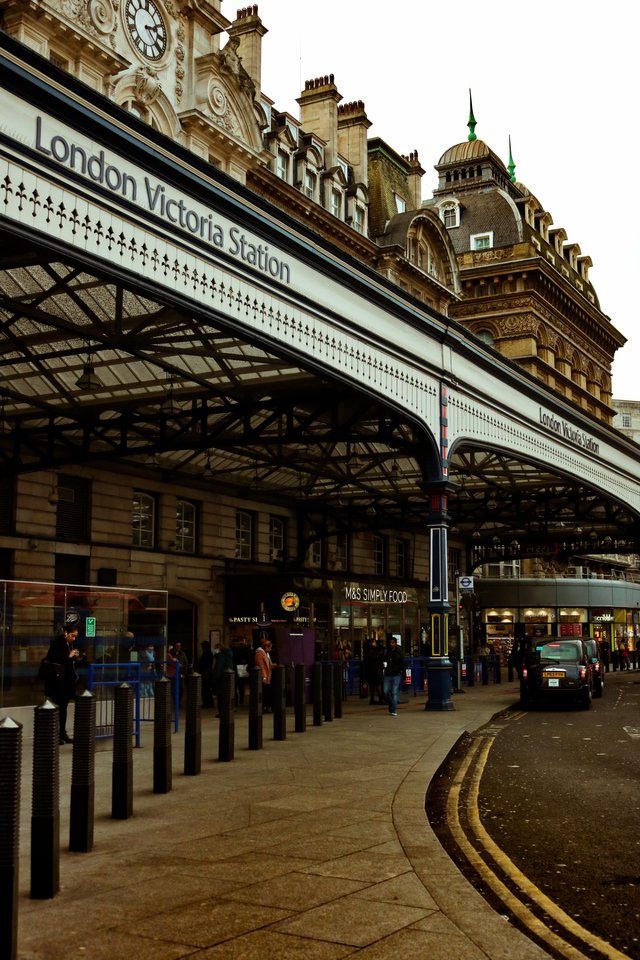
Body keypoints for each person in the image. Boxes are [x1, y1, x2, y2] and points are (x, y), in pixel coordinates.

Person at [43, 609, 83, 744]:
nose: (74, 638)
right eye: (72, 635)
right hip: (58, 682)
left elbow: (70, 662)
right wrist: (69, 656)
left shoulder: (70, 643)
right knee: (57, 708)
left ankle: (62, 732)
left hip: (66, 682)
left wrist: (77, 658)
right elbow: (55, 660)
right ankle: (55, 735)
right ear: (65, 633)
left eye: (76, 636)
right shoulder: (57, 643)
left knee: (64, 708)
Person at [381, 635, 404, 717]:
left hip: (396, 674)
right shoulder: (386, 652)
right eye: (390, 643)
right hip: (387, 674)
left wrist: (403, 674)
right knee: (385, 691)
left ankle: (393, 710)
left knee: (394, 692)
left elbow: (402, 663)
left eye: (392, 643)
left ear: (396, 643)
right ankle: (391, 704)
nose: (391, 644)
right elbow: (383, 661)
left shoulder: (399, 652)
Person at [211, 641, 235, 714]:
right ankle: (227, 711)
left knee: (221, 697)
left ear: (219, 648)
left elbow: (218, 668)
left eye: (215, 648)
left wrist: (214, 679)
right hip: (228, 677)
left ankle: (222, 712)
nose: (214, 650)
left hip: (221, 679)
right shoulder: (229, 655)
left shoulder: (221, 656)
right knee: (227, 696)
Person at [254, 636, 274, 712]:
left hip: (267, 676)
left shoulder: (266, 653)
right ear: (266, 647)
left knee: (266, 693)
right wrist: (264, 677)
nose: (271, 649)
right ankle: (264, 707)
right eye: (270, 647)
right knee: (264, 693)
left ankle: (266, 707)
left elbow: (268, 664)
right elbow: (261, 665)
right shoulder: (260, 654)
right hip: (264, 677)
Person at [363, 637, 383, 705]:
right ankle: (380, 699)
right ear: (371, 643)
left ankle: (372, 699)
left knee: (372, 685)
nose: (375, 643)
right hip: (374, 670)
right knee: (378, 684)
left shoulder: (367, 651)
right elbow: (376, 657)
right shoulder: (372, 651)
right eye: (374, 642)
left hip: (370, 670)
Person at [196, 639, 214, 707]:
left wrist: (200, 668)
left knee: (205, 689)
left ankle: (207, 703)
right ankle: (209, 702)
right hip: (207, 672)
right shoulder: (209, 653)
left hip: (205, 673)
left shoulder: (206, 653)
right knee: (207, 689)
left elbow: (204, 663)